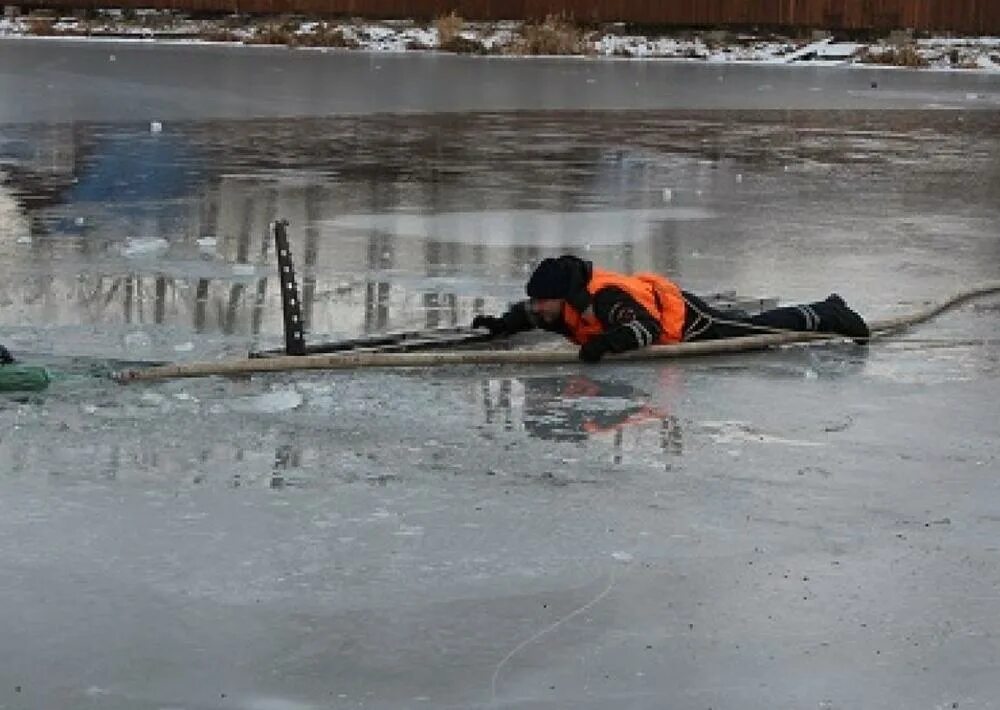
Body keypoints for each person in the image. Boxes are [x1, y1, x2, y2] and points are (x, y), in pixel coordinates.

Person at [471, 255, 869, 363]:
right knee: (753, 327)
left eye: (543, 301)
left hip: (684, 320)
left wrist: (601, 346)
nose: (538, 309)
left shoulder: (604, 299)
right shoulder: (555, 304)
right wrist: (499, 326)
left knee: (757, 331)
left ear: (560, 296)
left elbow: (642, 330)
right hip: (661, 317)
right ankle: (828, 310)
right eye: (537, 302)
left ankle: (829, 313)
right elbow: (526, 313)